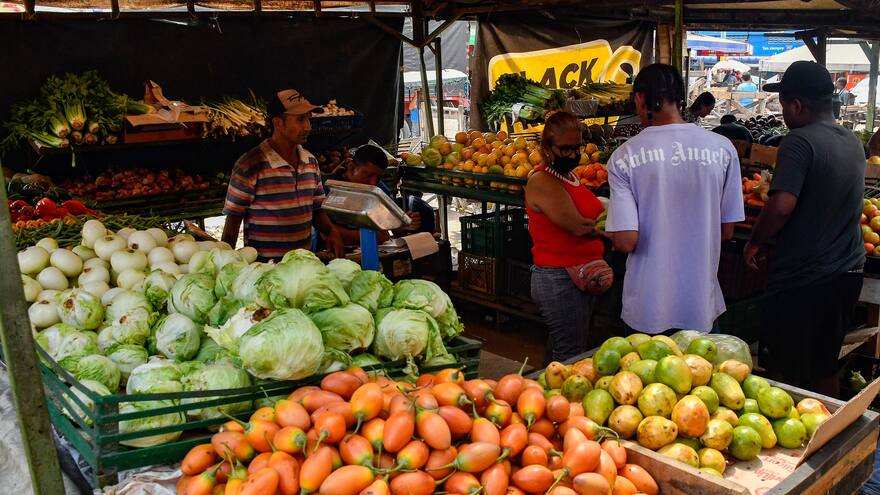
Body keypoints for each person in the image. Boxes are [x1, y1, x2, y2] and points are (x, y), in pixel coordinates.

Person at [744, 61, 865, 395]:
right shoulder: (852, 142)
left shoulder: (798, 141)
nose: (784, 114)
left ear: (796, 105)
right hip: (848, 272)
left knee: (785, 372)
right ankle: (833, 423)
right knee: (825, 365)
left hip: (805, 278)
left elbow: (782, 205)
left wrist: (755, 242)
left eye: (783, 105)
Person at [605, 63, 745, 335]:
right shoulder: (723, 148)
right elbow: (726, 231)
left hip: (647, 309)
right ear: (680, 99)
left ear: (640, 98)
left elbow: (625, 241)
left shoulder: (623, 157)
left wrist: (604, 231)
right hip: (700, 306)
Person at [525, 111, 609, 363]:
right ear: (547, 147)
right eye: (565, 149)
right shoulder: (542, 180)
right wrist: (616, 232)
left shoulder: (570, 176)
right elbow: (578, 227)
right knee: (570, 354)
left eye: (577, 148)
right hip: (559, 278)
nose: (573, 155)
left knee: (562, 351)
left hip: (578, 274)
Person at [222, 89, 344, 261]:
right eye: (300, 120)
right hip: (265, 268)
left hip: (303, 265)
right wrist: (226, 260)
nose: (308, 127)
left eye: (308, 118)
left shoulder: (310, 162)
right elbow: (233, 221)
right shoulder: (249, 165)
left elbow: (316, 209)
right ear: (278, 123)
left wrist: (331, 231)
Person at [322, 144, 434, 246]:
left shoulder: (380, 190)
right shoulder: (329, 190)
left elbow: (385, 227)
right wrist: (373, 237)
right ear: (351, 167)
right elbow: (325, 231)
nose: (373, 182)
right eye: (368, 175)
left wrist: (402, 225)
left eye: (378, 177)